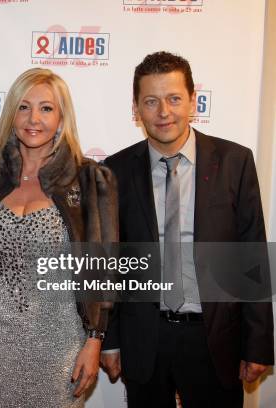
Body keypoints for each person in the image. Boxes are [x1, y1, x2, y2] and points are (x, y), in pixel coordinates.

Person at [100, 51, 274, 407]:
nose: (164, 112)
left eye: (174, 98)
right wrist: (110, 339)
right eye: (151, 101)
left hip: (215, 340)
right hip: (144, 338)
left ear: (193, 100)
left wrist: (257, 343)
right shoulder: (114, 171)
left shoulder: (234, 162)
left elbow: (250, 254)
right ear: (136, 108)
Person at [0, 68, 117, 407]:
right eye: (24, 107)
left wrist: (94, 340)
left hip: (61, 336)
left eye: (46, 108)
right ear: (11, 113)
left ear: (62, 117)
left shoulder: (91, 178)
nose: (33, 118)